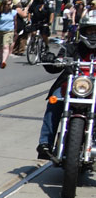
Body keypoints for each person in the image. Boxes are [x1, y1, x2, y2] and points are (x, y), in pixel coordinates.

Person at [37, 10, 96, 160]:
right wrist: (50, 59)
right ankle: (45, 143)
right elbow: (56, 64)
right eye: (90, 30)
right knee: (55, 101)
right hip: (71, 86)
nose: (93, 34)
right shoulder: (72, 48)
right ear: (83, 31)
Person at [0, 0, 16, 69]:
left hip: (9, 31)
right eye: (8, 4)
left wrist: (15, 31)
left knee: (6, 46)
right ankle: (1, 61)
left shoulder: (13, 12)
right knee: (0, 47)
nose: (10, 5)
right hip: (0, 31)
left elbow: (15, 22)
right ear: (4, 5)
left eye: (10, 4)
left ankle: (4, 61)